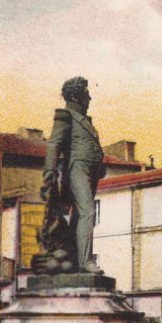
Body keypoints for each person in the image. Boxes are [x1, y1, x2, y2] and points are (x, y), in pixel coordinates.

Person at [42, 77, 106, 273]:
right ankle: (85, 261)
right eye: (86, 93)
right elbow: (54, 143)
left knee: (79, 216)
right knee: (88, 212)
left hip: (91, 171)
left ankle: (75, 259)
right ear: (76, 95)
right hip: (76, 168)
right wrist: (50, 170)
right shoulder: (65, 115)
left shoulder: (85, 120)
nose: (89, 97)